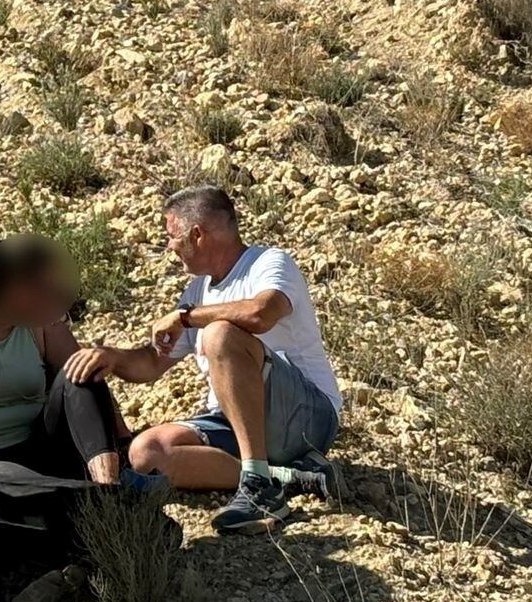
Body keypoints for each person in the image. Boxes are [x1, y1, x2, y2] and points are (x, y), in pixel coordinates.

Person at [63, 185, 341, 535]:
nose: (169, 247)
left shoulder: (269, 263)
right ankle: (284, 477)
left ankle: (258, 489)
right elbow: (153, 364)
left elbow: (260, 314)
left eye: (172, 236)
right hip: (239, 423)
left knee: (219, 334)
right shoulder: (199, 291)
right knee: (147, 452)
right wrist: (112, 357)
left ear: (197, 234)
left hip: (306, 417)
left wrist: (185, 318)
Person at [0, 234, 161, 491]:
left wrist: (123, 439)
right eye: (37, 286)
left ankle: (111, 485)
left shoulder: (42, 326)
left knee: (82, 369)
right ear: (11, 287)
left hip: (42, 446)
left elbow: (84, 387)